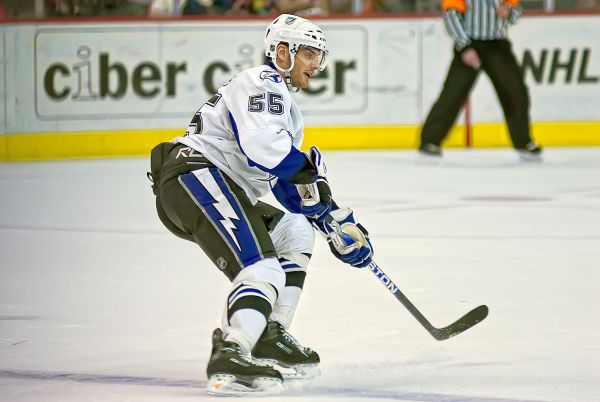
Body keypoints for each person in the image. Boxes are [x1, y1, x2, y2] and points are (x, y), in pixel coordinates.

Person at [148, 14, 373, 396]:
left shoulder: (283, 107)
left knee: (295, 231)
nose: (317, 64)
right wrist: (309, 174)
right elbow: (267, 150)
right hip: (195, 175)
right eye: (309, 54)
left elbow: (285, 185)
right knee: (262, 267)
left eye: (320, 55)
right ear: (282, 51)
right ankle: (232, 348)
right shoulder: (262, 81)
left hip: (213, 184)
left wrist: (333, 222)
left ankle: (267, 331)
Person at [419, 0, 543, 162]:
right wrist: (464, 46)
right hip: (471, 43)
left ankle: (523, 142)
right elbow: (451, 15)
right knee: (453, 94)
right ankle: (430, 140)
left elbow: (515, 10)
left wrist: (509, 12)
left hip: (497, 45)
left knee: (515, 92)